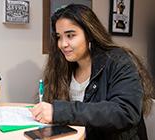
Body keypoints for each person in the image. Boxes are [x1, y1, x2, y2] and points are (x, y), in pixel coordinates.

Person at [29, 4, 153, 140]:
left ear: (89, 35)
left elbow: (125, 112)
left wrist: (60, 111)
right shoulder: (63, 66)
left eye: (70, 35)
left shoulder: (118, 61)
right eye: (59, 37)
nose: (63, 44)